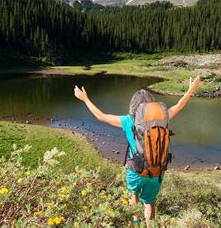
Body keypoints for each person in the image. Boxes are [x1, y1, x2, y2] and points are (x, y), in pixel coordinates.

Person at [74, 75, 201, 225]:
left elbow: (101, 116)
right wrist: (191, 89)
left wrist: (85, 99)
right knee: (149, 202)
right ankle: (150, 225)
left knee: (133, 196)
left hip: (135, 169)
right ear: (152, 104)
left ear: (133, 105)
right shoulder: (163, 118)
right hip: (157, 171)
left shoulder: (128, 121)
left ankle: (136, 224)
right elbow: (179, 105)